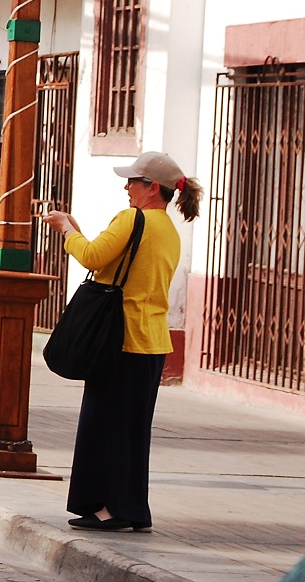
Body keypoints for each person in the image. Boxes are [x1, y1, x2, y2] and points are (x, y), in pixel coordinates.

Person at [41, 151, 201, 533]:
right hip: (152, 342)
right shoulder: (167, 229)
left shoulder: (133, 219)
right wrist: (79, 231)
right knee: (131, 429)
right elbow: (115, 263)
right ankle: (128, 507)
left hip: (121, 341)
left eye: (132, 181)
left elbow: (93, 256)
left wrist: (66, 228)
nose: (126, 187)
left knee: (106, 426)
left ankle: (114, 509)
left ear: (151, 188)